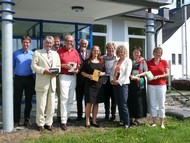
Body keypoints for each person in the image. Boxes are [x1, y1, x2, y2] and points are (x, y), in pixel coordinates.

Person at [31, 36, 61, 131]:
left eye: (50, 43)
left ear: (52, 44)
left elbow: (58, 66)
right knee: (41, 105)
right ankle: (40, 124)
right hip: (42, 83)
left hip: (52, 83)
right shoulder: (37, 53)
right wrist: (44, 71)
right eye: (47, 43)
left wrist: (57, 71)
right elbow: (33, 66)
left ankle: (49, 123)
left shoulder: (55, 54)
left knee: (51, 105)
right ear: (44, 43)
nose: (49, 44)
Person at [137, 47, 169, 129]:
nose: (158, 54)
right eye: (157, 52)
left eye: (160, 53)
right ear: (153, 53)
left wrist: (159, 76)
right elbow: (146, 72)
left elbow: (167, 74)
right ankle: (154, 122)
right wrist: (139, 75)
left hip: (161, 85)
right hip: (151, 85)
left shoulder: (164, 62)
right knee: (153, 104)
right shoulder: (149, 62)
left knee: (161, 104)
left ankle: (162, 123)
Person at [57, 35, 81, 131]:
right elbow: (55, 64)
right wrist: (64, 65)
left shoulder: (75, 51)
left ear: (73, 42)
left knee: (71, 99)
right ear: (64, 41)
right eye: (67, 40)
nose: (69, 42)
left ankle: (66, 117)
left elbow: (78, 64)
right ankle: (63, 121)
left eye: (71, 41)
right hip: (63, 76)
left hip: (73, 77)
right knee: (64, 98)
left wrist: (77, 70)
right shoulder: (59, 51)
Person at [13, 35, 35, 128]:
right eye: (24, 42)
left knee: (28, 101)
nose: (25, 44)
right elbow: (12, 66)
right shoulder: (15, 53)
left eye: (27, 42)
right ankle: (16, 121)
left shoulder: (33, 54)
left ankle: (27, 120)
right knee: (17, 100)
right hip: (18, 79)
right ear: (22, 43)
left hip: (29, 79)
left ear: (30, 43)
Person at [81, 45, 105, 128]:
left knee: (96, 103)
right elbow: (82, 72)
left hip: (98, 85)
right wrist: (88, 76)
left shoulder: (101, 61)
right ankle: (87, 120)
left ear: (99, 52)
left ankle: (94, 120)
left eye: (97, 51)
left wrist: (102, 73)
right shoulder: (87, 61)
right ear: (91, 51)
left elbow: (105, 72)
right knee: (89, 103)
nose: (96, 52)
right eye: (94, 50)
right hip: (89, 85)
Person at [110, 45, 132, 129]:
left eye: (122, 52)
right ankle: (121, 120)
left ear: (125, 52)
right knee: (118, 103)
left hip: (123, 84)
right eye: (119, 52)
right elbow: (112, 73)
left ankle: (127, 123)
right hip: (115, 84)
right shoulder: (116, 61)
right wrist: (112, 80)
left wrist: (118, 81)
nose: (120, 53)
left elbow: (127, 74)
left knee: (123, 103)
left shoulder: (128, 61)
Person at [128, 46, 148, 126]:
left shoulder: (143, 61)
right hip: (131, 82)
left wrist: (138, 76)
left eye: (138, 52)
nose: (136, 54)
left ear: (140, 53)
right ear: (132, 53)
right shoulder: (130, 61)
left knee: (138, 100)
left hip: (139, 82)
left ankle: (137, 118)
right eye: (135, 52)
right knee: (131, 99)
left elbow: (146, 71)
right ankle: (131, 117)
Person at [102, 42, 116, 121]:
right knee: (106, 98)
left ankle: (113, 114)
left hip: (113, 80)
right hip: (105, 80)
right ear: (106, 49)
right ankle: (107, 114)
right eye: (109, 48)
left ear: (114, 49)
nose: (111, 50)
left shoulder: (116, 58)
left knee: (114, 98)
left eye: (112, 48)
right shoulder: (103, 58)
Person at [76, 38, 89, 121]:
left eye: (85, 44)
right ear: (79, 44)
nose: (83, 45)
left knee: (87, 99)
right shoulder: (75, 52)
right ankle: (79, 116)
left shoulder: (90, 53)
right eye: (82, 43)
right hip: (79, 79)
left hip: (88, 79)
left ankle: (87, 115)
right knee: (79, 98)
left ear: (87, 45)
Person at [52, 36, 62, 122]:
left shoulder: (61, 51)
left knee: (60, 96)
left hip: (59, 77)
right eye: (55, 41)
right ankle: (49, 115)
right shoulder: (49, 51)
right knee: (50, 96)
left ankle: (59, 115)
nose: (56, 43)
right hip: (50, 76)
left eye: (58, 41)